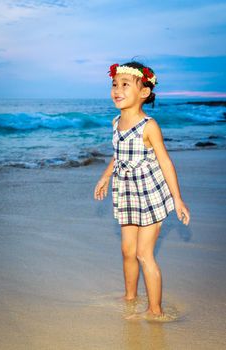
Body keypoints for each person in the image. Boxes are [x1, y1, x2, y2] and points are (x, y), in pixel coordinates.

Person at [94, 61, 190, 320]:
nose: (117, 89)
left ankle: (155, 310)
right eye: (114, 84)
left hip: (150, 195)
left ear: (144, 92)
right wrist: (105, 177)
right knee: (127, 251)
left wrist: (177, 199)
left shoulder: (149, 126)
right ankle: (130, 297)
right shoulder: (116, 122)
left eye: (125, 84)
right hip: (126, 194)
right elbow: (118, 155)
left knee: (143, 254)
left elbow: (165, 162)